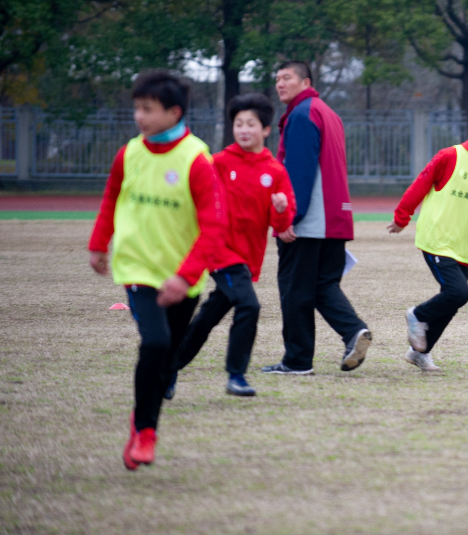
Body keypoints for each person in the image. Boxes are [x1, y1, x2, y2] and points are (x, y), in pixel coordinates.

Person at [88, 70, 224, 471]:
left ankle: (141, 418)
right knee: (156, 343)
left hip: (184, 277)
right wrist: (99, 244)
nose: (139, 117)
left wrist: (184, 276)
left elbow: (214, 227)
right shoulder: (129, 153)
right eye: (137, 108)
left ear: (174, 112)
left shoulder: (197, 159)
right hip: (138, 269)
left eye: (147, 109)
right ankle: (145, 431)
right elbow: (111, 198)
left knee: (168, 356)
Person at [169, 93, 296, 398]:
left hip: (247, 258)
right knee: (249, 305)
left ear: (266, 130)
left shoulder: (275, 171)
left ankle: (167, 369)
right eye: (238, 123)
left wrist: (281, 209)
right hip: (219, 251)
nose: (243, 129)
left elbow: (282, 227)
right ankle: (236, 375)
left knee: (207, 317)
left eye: (250, 124)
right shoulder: (220, 163)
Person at [261, 60, 372, 375]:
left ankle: (297, 361)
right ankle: (354, 332)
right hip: (337, 217)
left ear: (305, 82)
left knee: (295, 289)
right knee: (323, 285)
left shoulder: (302, 113)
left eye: (287, 78)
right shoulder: (329, 113)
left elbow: (299, 172)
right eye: (277, 78)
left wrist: (288, 218)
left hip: (309, 220)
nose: (280, 84)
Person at [387, 102, 468, 372]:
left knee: (452, 301)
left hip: (464, 246)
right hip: (437, 239)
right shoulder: (449, 156)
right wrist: (402, 217)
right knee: (459, 293)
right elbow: (420, 184)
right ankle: (417, 315)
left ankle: (419, 352)